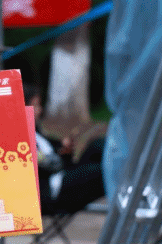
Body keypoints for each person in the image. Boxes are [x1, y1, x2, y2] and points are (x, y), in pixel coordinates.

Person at [24, 83, 105, 215]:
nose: (40, 110)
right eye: (35, 106)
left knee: (98, 146)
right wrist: (61, 152)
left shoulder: (36, 131)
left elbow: (53, 154)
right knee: (101, 170)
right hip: (52, 188)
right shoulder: (23, 138)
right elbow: (48, 164)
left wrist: (64, 149)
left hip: (63, 173)